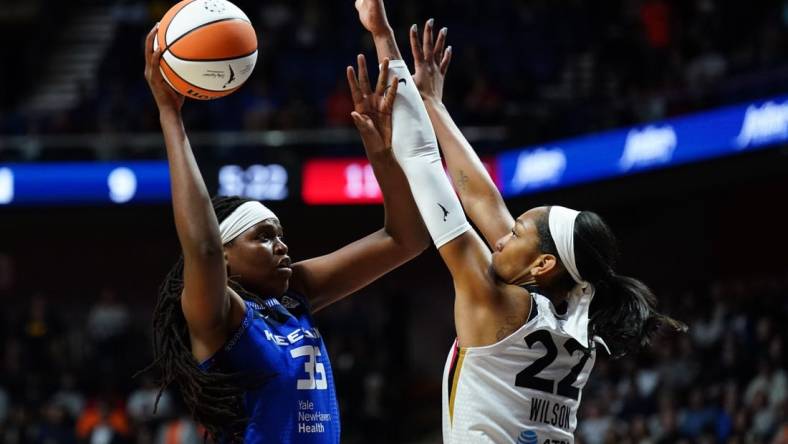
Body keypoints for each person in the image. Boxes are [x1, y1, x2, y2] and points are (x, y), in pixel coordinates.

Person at [354, 1, 687, 442]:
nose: (501, 235)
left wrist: (382, 36)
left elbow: (420, 158)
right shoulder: (577, 318)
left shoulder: (495, 299)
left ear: (544, 264)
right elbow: (480, 196)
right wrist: (433, 103)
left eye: (515, 233)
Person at [141, 21, 428, 443]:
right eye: (262, 236)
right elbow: (200, 247)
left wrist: (383, 156)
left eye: (279, 235)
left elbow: (406, 239)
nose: (282, 246)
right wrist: (171, 115)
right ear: (224, 256)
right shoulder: (218, 315)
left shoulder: (295, 296)